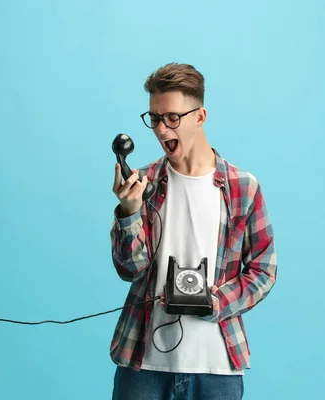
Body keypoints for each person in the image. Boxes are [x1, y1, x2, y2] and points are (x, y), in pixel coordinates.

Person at [109, 62, 277, 400]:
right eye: (154, 118)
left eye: (172, 118)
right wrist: (129, 212)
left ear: (199, 116)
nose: (160, 129)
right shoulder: (141, 184)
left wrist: (215, 302)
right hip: (143, 366)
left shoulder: (242, 187)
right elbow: (130, 270)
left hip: (216, 368)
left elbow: (263, 270)